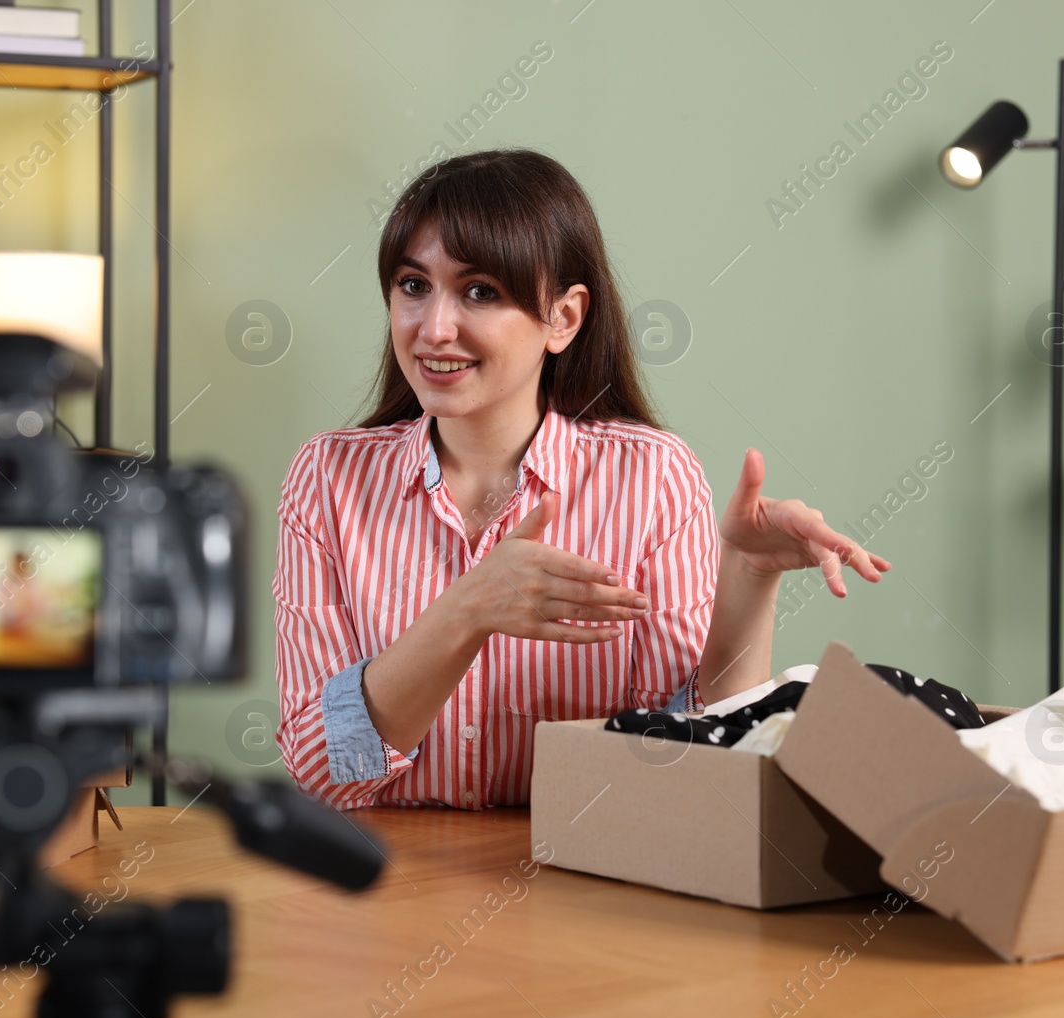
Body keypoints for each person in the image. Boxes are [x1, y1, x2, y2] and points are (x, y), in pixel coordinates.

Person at [274, 149, 887, 810]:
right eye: (413, 285)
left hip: (579, 880)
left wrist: (750, 576)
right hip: (383, 885)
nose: (434, 328)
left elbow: (689, 753)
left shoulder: (652, 476)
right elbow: (323, 766)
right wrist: (466, 610)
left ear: (564, 318)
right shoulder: (328, 476)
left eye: (480, 291)